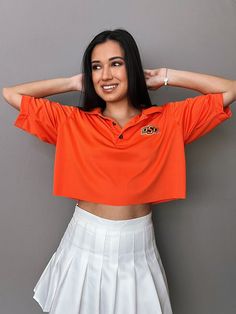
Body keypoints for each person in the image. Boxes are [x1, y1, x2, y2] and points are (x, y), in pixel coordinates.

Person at [2, 28, 234, 314]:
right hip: (83, 242)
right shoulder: (72, 121)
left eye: (116, 63)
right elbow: (11, 94)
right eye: (96, 67)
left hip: (138, 247)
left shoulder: (168, 121)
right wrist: (74, 83)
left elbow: (230, 90)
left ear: (132, 67)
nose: (105, 75)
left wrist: (164, 76)